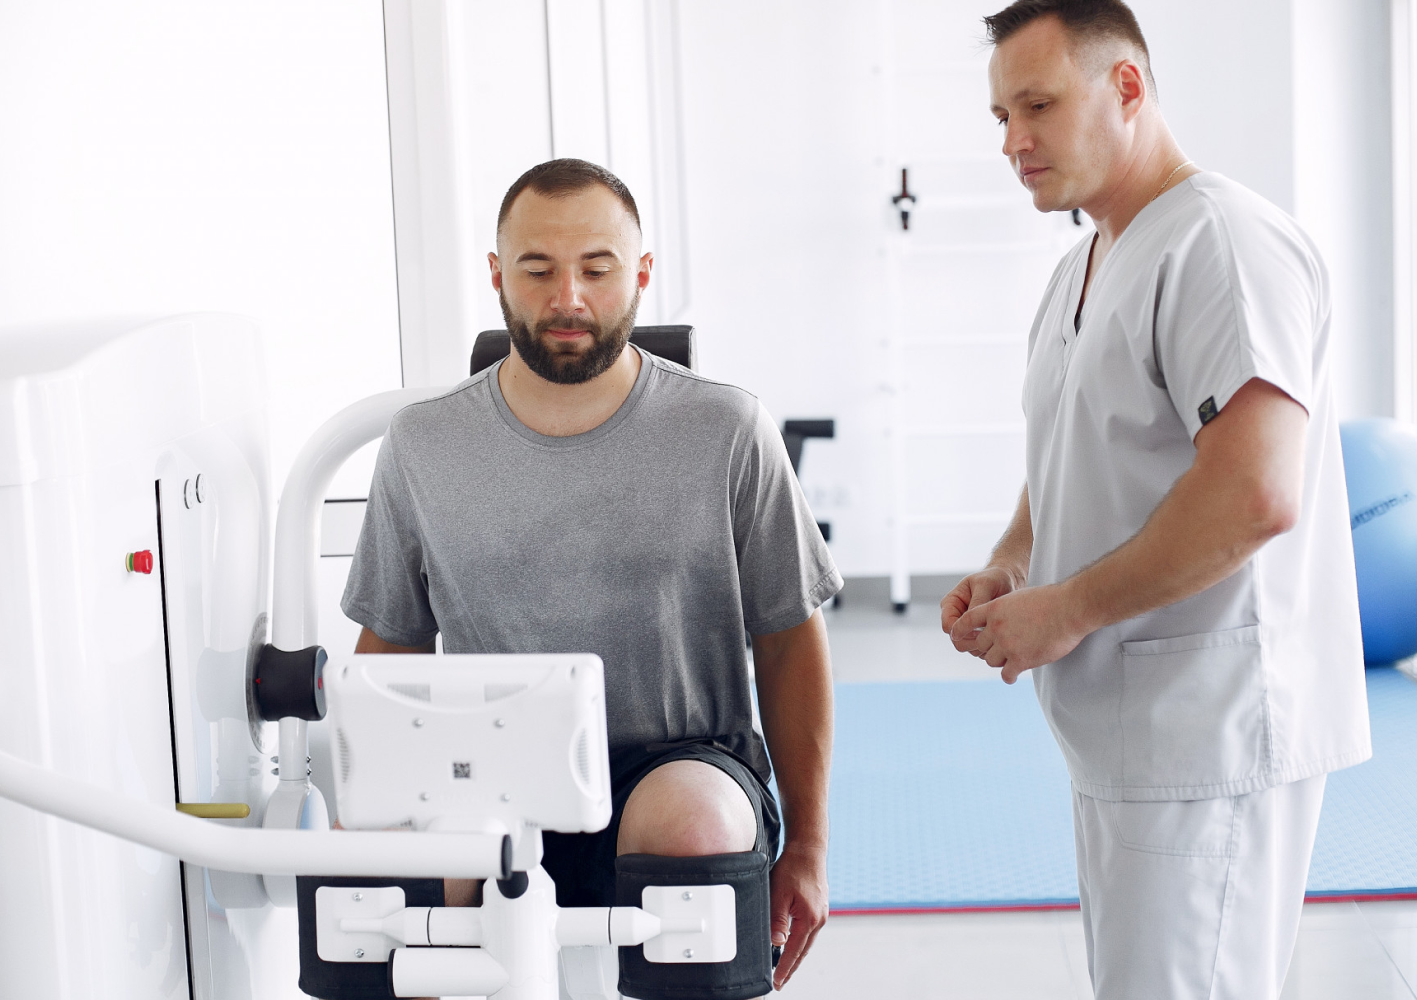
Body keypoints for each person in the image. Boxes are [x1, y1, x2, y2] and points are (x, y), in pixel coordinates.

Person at [941, 2, 1372, 996]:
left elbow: (1254, 492)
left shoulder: (1220, 244)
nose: (1012, 141)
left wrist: (1065, 608)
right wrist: (1013, 562)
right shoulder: (1082, 266)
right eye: (1000, 116)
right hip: (1125, 733)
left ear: (1126, 86)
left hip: (1208, 729)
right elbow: (1073, 447)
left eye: (1037, 106)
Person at [342, 158, 839, 996]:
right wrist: (364, 827)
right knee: (388, 870)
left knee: (691, 822)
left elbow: (790, 640)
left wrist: (811, 848)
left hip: (682, 759)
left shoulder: (726, 428)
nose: (567, 298)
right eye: (537, 269)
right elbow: (389, 648)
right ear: (498, 276)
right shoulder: (423, 444)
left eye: (597, 270)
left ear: (640, 275)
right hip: (490, 766)